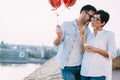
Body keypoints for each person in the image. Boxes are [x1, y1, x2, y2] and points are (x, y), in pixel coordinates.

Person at [54, 5, 97, 80]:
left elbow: (84, 51)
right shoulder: (66, 24)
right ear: (83, 13)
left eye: (93, 18)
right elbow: (56, 43)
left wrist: (83, 38)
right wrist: (59, 36)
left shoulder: (88, 31)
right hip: (66, 67)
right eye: (90, 16)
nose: (91, 20)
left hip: (81, 66)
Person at [80, 10, 117, 80]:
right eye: (93, 18)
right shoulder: (89, 35)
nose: (93, 20)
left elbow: (113, 54)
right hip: (85, 71)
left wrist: (96, 49)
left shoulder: (109, 34)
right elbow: (83, 51)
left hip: (98, 73)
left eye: (96, 19)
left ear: (103, 23)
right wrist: (83, 38)